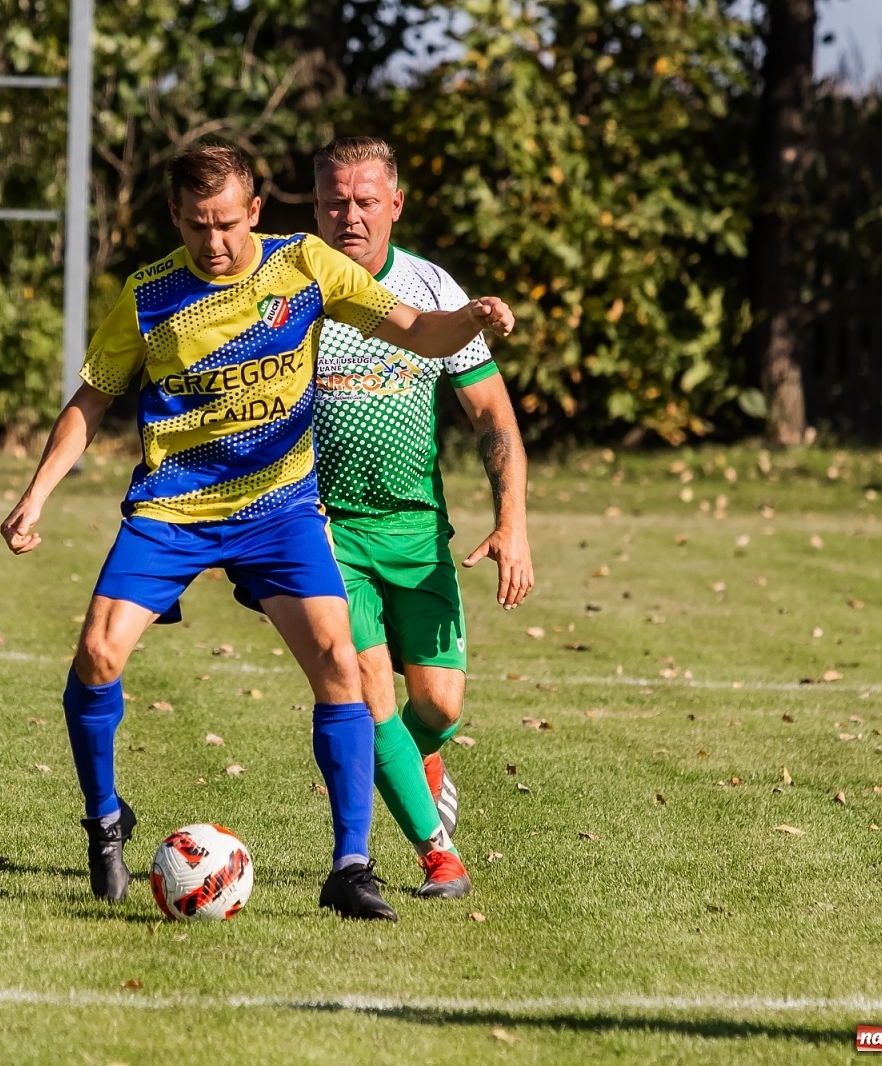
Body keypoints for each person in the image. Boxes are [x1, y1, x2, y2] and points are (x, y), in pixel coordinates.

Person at [0, 141, 514, 922]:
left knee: (341, 664)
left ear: (255, 212)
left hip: (279, 510)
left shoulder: (303, 265)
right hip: (173, 509)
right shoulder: (149, 294)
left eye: (228, 224)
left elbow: (418, 331)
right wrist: (35, 495)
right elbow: (92, 400)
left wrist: (469, 320)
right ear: (175, 217)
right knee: (98, 653)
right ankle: (104, 820)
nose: (214, 241)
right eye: (197, 225)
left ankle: (351, 866)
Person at [309, 136, 534, 899]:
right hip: (329, 532)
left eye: (365, 201)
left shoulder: (431, 287)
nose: (350, 215)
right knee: (367, 686)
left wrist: (512, 523)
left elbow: (492, 415)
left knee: (437, 705)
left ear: (395, 205)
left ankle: (417, 757)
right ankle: (439, 855)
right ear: (317, 207)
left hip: (417, 533)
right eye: (335, 201)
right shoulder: (297, 287)